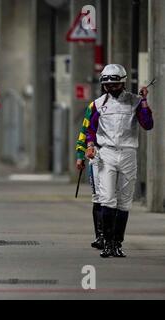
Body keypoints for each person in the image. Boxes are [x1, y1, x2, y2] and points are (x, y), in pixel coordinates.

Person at [86, 64, 154, 258]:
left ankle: (117, 243)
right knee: (107, 199)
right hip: (106, 153)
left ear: (123, 82)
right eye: (107, 85)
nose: (111, 88)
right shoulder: (99, 104)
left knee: (124, 202)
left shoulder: (135, 101)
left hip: (128, 153)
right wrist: (90, 146)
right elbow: (91, 129)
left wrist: (144, 101)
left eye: (115, 85)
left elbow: (148, 124)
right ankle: (106, 243)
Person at [75, 103, 104, 250]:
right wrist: (81, 154)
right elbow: (84, 130)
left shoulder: (127, 102)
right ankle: (100, 236)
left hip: (120, 155)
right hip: (97, 154)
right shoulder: (95, 105)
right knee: (98, 196)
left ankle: (113, 238)